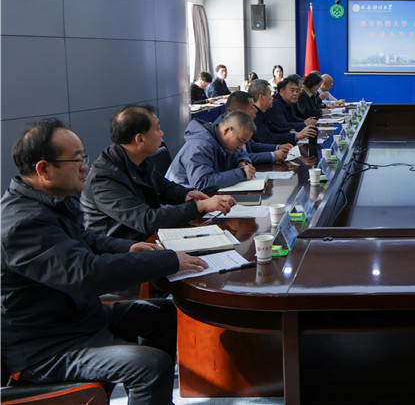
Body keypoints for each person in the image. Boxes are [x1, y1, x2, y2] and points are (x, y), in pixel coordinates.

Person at [1, 119, 208, 403]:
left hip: (74, 317)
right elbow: (87, 275)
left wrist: (129, 247)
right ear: (44, 169)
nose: (85, 167)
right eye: (77, 160)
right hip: (46, 347)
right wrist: (167, 260)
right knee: (150, 366)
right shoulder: (22, 224)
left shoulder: (51, 199)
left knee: (160, 312)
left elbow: (86, 238)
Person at [81, 105, 235, 242]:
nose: (162, 133)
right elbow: (145, 219)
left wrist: (186, 194)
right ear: (140, 139)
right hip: (121, 249)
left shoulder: (138, 159)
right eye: (157, 129)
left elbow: (163, 186)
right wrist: (198, 206)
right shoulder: (104, 179)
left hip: (147, 239)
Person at [166, 111, 257, 192]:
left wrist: (242, 162)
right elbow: (201, 183)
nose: (241, 147)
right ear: (227, 131)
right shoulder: (199, 146)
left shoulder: (225, 143)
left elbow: (241, 154)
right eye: (240, 140)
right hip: (181, 200)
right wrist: (241, 173)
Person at [222, 91, 291, 164]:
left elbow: (253, 146)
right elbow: (238, 158)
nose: (256, 110)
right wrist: (272, 155)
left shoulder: (240, 124)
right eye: (252, 108)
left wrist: (277, 147)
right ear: (240, 112)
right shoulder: (226, 129)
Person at [248, 80, 317, 145]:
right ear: (261, 97)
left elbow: (275, 129)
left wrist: (292, 132)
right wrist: (297, 135)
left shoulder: (262, 112)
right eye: (270, 94)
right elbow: (268, 137)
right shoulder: (254, 115)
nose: (272, 97)